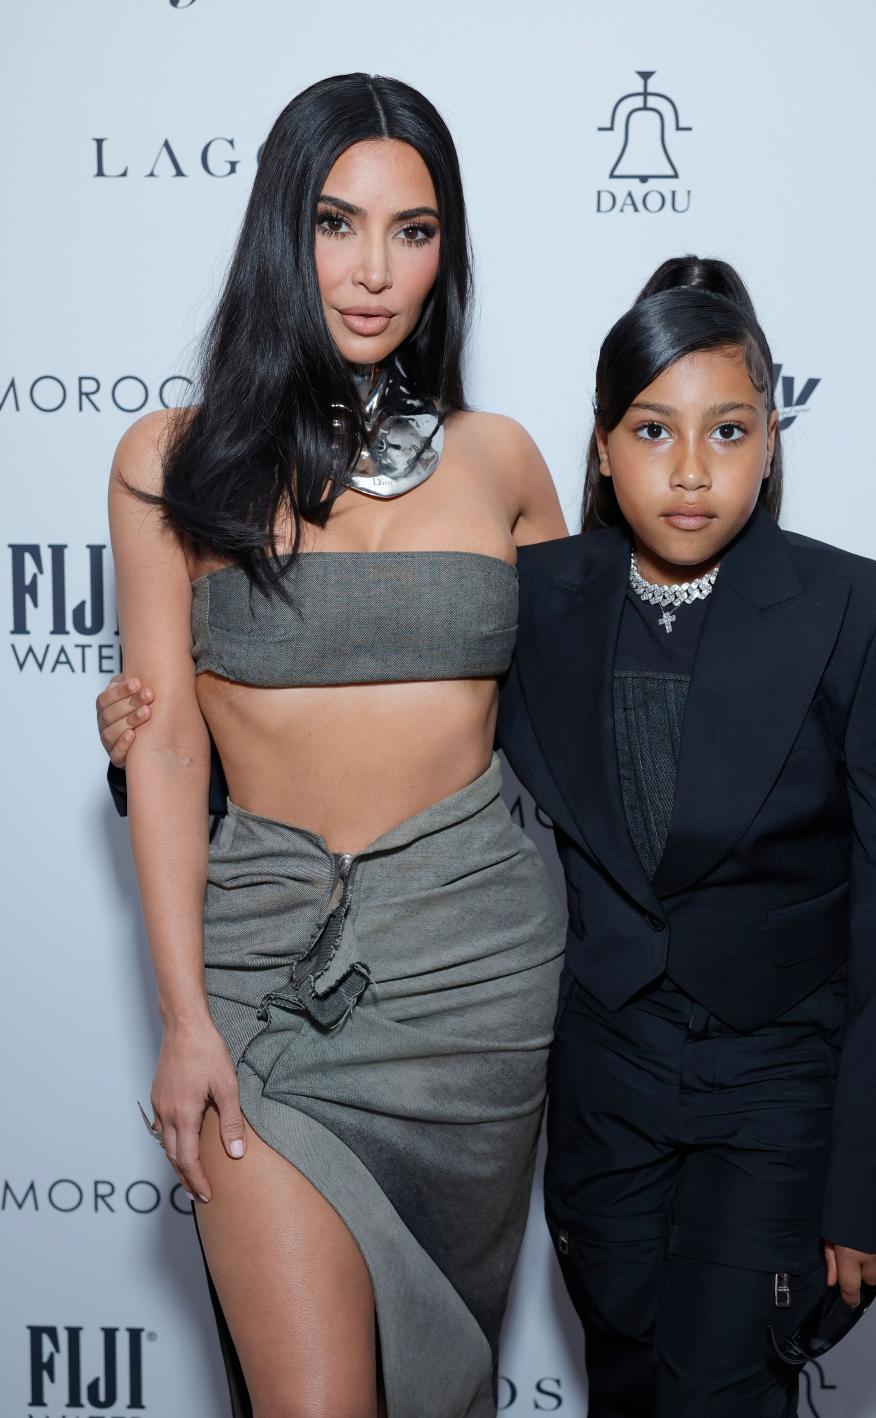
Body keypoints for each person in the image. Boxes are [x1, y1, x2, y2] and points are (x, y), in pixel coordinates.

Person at [104, 72, 567, 1418]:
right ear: (279, 232)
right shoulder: (170, 464)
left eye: (413, 231)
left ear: (447, 251)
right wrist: (185, 1018)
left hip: (479, 984)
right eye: (335, 222)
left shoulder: (505, 462)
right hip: (263, 985)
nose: (373, 270)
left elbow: (601, 718)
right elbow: (173, 745)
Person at [494, 256, 876, 1415]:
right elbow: (381, 735)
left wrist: (870, 1187)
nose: (691, 470)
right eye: (653, 430)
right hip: (604, 1092)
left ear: (770, 442)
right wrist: (166, 756)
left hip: (780, 1090)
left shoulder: (864, 612)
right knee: (629, 1385)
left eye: (728, 430)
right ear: (601, 445)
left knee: (721, 1392)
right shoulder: (533, 600)